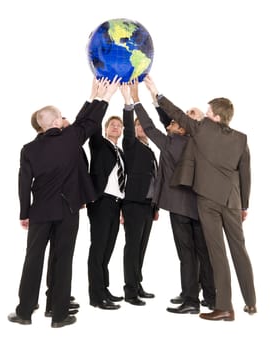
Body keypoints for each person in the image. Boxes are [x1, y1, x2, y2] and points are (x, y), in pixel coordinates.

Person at [8, 76, 121, 328]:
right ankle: (59, 315)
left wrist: (24, 213)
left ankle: (25, 312)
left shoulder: (28, 150)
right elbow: (89, 122)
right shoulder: (70, 139)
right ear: (56, 121)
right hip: (69, 210)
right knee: (63, 260)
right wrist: (104, 95)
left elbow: (23, 184)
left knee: (33, 259)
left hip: (40, 212)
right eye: (60, 116)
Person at [144, 75, 256, 321]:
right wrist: (244, 205)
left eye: (207, 112)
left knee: (218, 254)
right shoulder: (241, 138)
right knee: (240, 250)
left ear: (215, 116)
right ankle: (250, 302)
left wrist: (156, 92)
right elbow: (245, 175)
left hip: (207, 201)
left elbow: (176, 113)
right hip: (232, 201)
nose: (204, 115)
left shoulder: (202, 128)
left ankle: (225, 307)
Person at [129, 80, 215, 314]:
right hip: (200, 204)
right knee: (202, 253)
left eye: (186, 117)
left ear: (186, 127)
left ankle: (190, 300)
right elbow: (167, 121)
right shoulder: (200, 143)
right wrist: (153, 94)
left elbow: (149, 127)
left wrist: (136, 100)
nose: (176, 121)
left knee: (186, 254)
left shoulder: (170, 143)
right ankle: (210, 297)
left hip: (179, 206)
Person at [30, 111, 80, 316]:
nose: (64, 119)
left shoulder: (36, 147)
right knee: (59, 257)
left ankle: (50, 301)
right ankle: (56, 306)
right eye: (60, 116)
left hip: (52, 206)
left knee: (48, 257)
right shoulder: (59, 142)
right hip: (60, 207)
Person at [119, 83, 158, 306]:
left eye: (144, 125)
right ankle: (130, 291)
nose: (142, 128)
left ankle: (138, 283)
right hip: (133, 204)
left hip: (147, 206)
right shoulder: (131, 144)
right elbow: (127, 127)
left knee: (141, 247)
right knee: (132, 247)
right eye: (138, 126)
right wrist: (129, 105)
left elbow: (154, 179)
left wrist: (155, 206)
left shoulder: (150, 150)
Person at [87, 112, 126, 310]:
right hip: (101, 202)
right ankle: (96, 296)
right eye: (112, 124)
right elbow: (92, 126)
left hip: (116, 204)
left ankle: (104, 289)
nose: (115, 127)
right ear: (105, 128)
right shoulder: (99, 144)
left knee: (108, 249)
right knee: (98, 249)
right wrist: (102, 98)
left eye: (119, 125)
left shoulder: (121, 152)